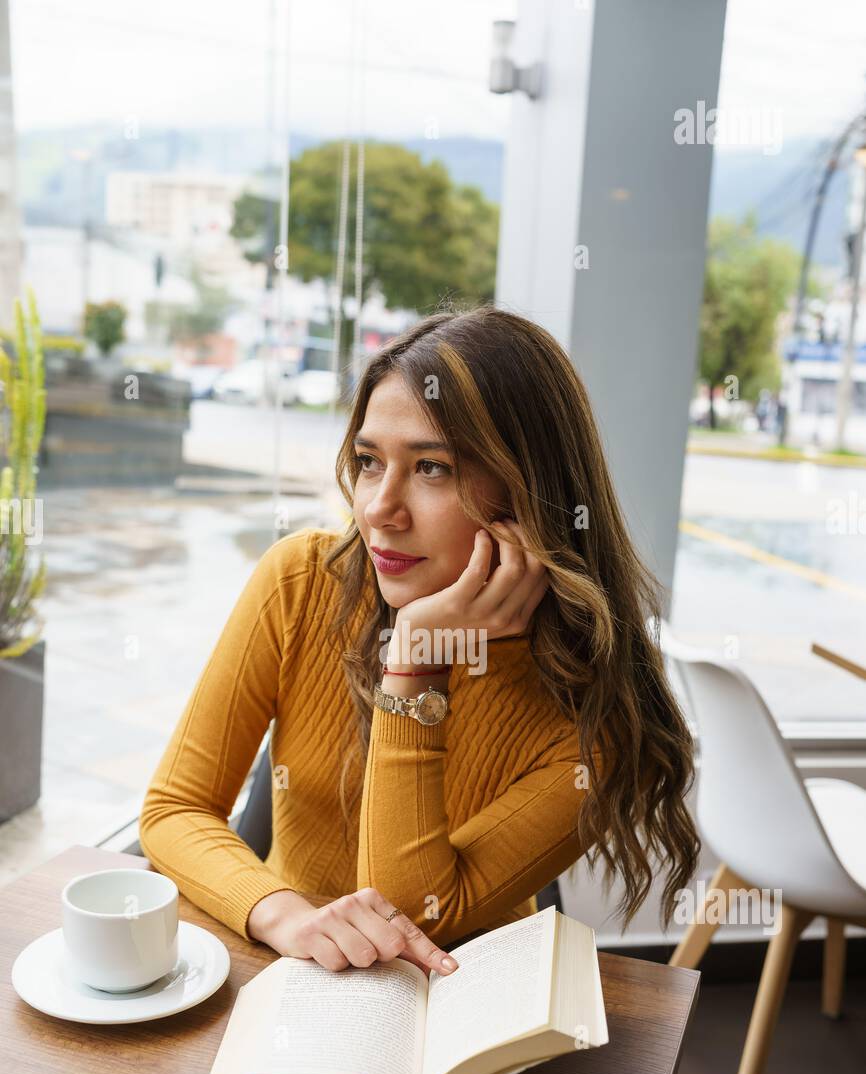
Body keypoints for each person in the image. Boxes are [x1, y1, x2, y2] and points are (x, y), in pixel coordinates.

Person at [139, 304, 700, 978]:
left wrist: (415, 669)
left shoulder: (600, 723)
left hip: (462, 1001)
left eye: (432, 468)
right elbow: (174, 809)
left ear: (533, 489)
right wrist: (281, 910)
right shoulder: (300, 581)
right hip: (293, 972)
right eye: (370, 462)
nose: (379, 509)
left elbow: (413, 912)